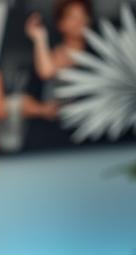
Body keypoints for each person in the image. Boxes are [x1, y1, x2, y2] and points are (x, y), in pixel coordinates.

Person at [21, 0, 93, 149]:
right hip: (51, 139)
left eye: (83, 16)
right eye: (73, 17)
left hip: (90, 139)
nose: (79, 22)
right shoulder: (46, 58)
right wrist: (40, 38)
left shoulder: (98, 57)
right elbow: (44, 75)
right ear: (61, 23)